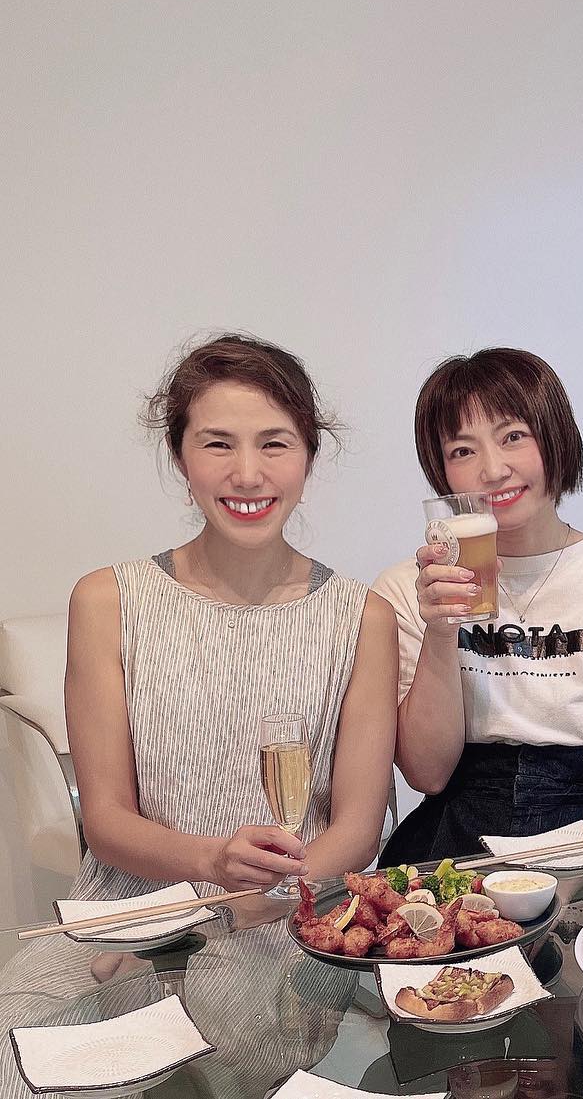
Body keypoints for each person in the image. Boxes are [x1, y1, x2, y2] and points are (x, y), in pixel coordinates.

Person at [64, 333, 398, 898]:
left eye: (275, 444)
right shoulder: (106, 601)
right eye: (218, 444)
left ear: (309, 458)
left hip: (298, 909)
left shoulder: (363, 617)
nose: (247, 474)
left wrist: (266, 895)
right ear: (180, 457)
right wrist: (211, 863)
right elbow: (106, 819)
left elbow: (358, 830)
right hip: (143, 909)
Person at [373, 348, 583, 862]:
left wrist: (563, 871)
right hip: (459, 842)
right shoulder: (408, 591)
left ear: (556, 438)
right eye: (463, 451)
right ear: (442, 472)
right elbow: (428, 774)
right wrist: (440, 631)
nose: (493, 469)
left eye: (513, 437)